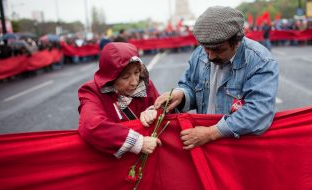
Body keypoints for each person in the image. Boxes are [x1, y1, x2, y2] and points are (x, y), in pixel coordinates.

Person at [153, 6, 279, 150]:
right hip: (203, 141)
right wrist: (180, 95)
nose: (210, 56)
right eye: (206, 48)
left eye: (219, 50)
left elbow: (258, 112)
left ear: (237, 42)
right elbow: (190, 86)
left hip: (239, 149)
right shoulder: (200, 53)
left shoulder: (260, 62)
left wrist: (212, 133)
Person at [78, 42, 161, 158]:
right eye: (125, 77)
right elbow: (91, 126)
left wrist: (153, 111)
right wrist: (138, 143)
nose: (134, 82)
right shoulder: (92, 92)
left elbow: (164, 109)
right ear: (110, 78)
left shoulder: (145, 85)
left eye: (136, 73)